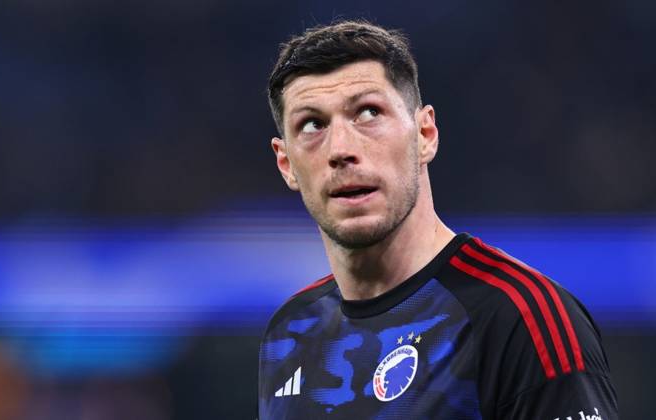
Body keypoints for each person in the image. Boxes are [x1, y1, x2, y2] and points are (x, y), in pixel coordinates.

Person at [258, 20, 618, 419]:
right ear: (286, 163)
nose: (340, 149)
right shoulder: (289, 333)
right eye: (312, 125)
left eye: (368, 113)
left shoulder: (519, 317)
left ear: (425, 134)